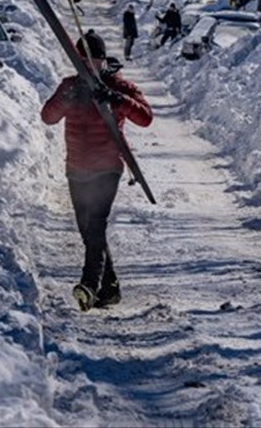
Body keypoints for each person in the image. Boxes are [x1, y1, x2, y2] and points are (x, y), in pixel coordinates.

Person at [40, 30, 153, 311]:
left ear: (103, 60)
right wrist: (66, 97)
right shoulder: (69, 85)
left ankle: (88, 286)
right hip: (76, 168)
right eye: (83, 62)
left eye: (94, 62)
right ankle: (110, 287)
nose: (89, 67)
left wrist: (116, 99)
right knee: (88, 231)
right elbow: (48, 117)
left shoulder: (119, 86)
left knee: (96, 225)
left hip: (107, 168)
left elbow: (146, 118)